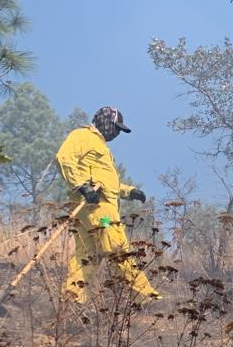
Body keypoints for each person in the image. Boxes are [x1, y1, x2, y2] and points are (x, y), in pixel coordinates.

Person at [55, 106, 159, 302]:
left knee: (87, 254)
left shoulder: (100, 145)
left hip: (90, 209)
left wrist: (129, 191)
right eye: (116, 127)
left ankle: (73, 298)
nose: (117, 133)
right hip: (98, 209)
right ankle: (145, 296)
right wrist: (82, 187)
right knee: (116, 246)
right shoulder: (83, 135)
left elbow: (105, 182)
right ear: (105, 122)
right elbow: (64, 158)